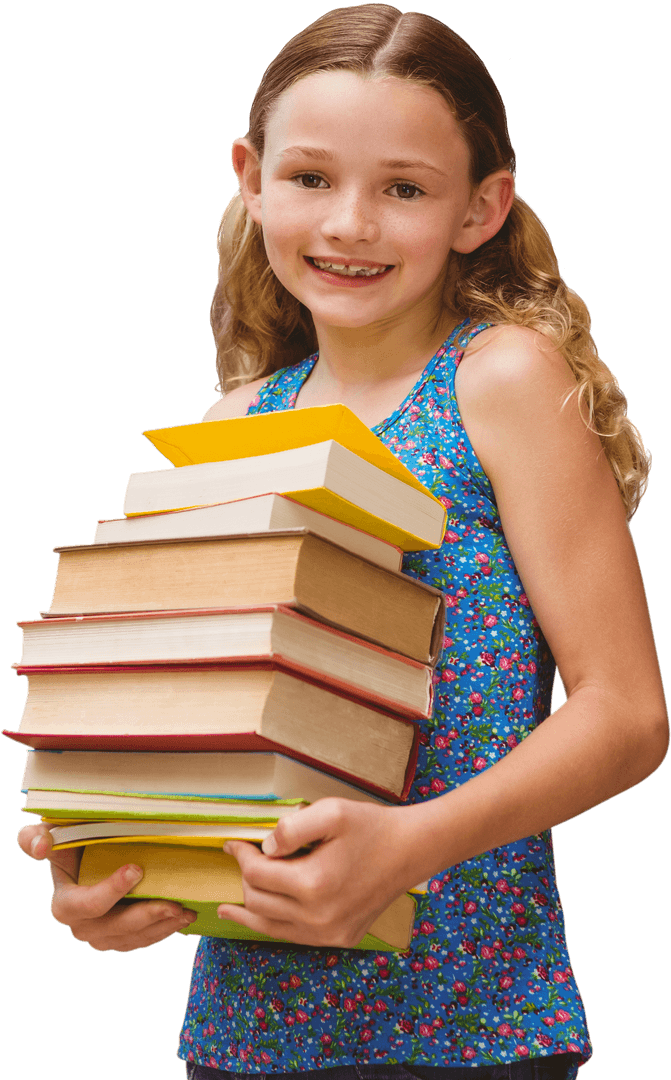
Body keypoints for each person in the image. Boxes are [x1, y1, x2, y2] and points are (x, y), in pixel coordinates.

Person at [17, 5, 668, 1079]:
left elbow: (626, 714)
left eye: (403, 188)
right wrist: (110, 864)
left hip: (467, 1028)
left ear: (480, 207)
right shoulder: (232, 427)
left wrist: (410, 846)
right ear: (250, 177)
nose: (351, 223)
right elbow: (205, 726)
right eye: (312, 178)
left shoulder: (497, 381)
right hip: (245, 1033)